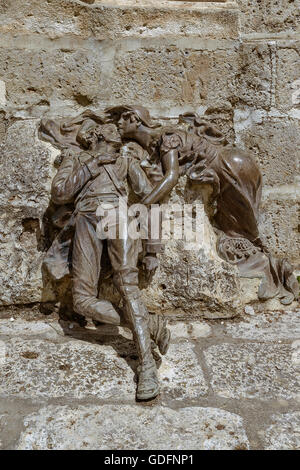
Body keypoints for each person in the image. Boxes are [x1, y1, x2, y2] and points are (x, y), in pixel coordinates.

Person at [106, 106, 299, 305]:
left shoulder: (166, 138)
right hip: (230, 166)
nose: (119, 124)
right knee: (238, 232)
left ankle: (272, 271)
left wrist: (144, 204)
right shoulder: (155, 144)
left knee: (242, 232)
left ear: (136, 120)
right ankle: (268, 268)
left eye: (123, 119)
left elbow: (171, 177)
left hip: (230, 167)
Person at [40, 114, 171, 400]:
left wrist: (151, 247)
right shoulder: (76, 159)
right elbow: (61, 192)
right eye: (109, 127)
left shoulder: (125, 162)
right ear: (97, 135)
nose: (115, 130)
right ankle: (149, 324)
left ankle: (147, 366)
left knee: (128, 285)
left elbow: (151, 199)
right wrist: (90, 164)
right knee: (82, 302)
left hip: (117, 216)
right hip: (85, 221)